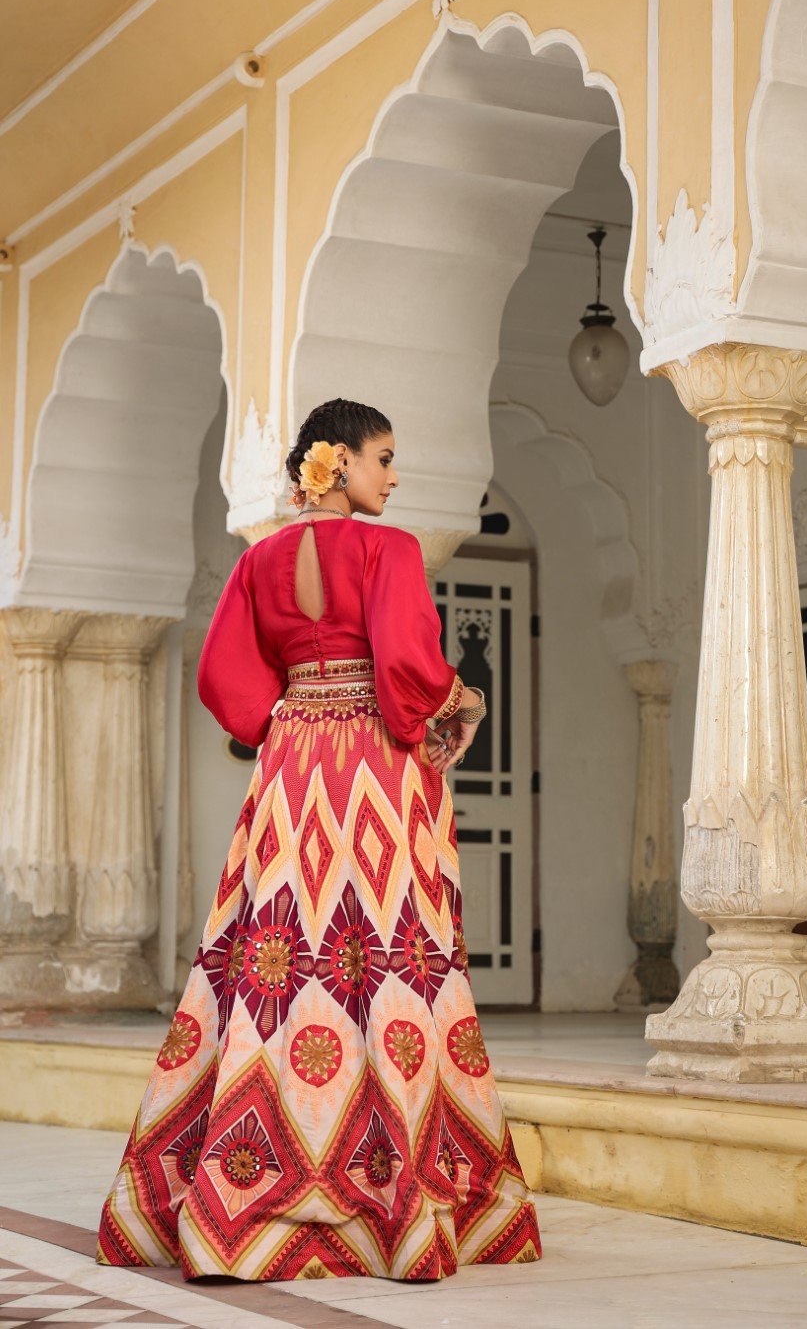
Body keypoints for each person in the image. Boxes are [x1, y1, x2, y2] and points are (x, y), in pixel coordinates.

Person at [96, 397, 542, 1282]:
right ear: (338, 462)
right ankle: (391, 1202)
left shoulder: (260, 560)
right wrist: (462, 706)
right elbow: (410, 664)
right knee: (384, 958)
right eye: (383, 458)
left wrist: (286, 718)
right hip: (373, 768)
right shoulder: (390, 550)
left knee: (275, 960)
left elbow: (226, 676)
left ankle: (240, 1192)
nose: (394, 475)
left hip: (293, 767)